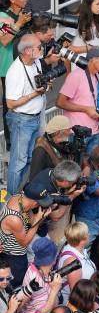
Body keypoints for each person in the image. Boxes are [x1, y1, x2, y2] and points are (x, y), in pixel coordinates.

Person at [5, 34, 47, 195]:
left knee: (30, 159)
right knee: (18, 163)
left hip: (35, 118)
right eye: (38, 47)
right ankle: (11, 200)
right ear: (28, 51)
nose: (41, 49)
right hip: (21, 120)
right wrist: (33, 95)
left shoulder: (35, 62)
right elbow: (10, 103)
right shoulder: (15, 72)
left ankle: (21, 194)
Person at [56, 48, 99, 153]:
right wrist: (86, 109)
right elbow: (60, 102)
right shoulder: (75, 76)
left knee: (93, 167)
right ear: (93, 59)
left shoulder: (95, 75)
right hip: (78, 133)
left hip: (94, 131)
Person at [0, 182, 53, 287]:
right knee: (13, 288)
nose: (39, 205)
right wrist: (38, 220)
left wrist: (38, 218)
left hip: (16, 253)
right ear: (34, 202)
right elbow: (24, 242)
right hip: (14, 258)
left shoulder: (19, 198)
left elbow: (31, 220)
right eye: (39, 203)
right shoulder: (14, 218)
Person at [0, 0, 31, 149]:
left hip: (27, 65)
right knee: (11, 104)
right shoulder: (2, 16)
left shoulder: (27, 14)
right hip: (8, 68)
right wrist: (19, 23)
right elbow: (4, 40)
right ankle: (11, 141)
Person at [19, 238, 63, 313]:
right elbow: (43, 312)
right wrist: (54, 290)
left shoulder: (39, 268)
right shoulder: (35, 279)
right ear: (54, 258)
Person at [57, 222, 97, 303]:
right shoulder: (72, 262)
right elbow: (75, 294)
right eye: (87, 233)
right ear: (82, 241)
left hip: (88, 296)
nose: (89, 234)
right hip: (80, 304)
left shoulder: (78, 249)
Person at [28, 116, 75, 180]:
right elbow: (34, 178)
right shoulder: (40, 151)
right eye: (68, 130)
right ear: (59, 132)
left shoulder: (61, 144)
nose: (70, 133)